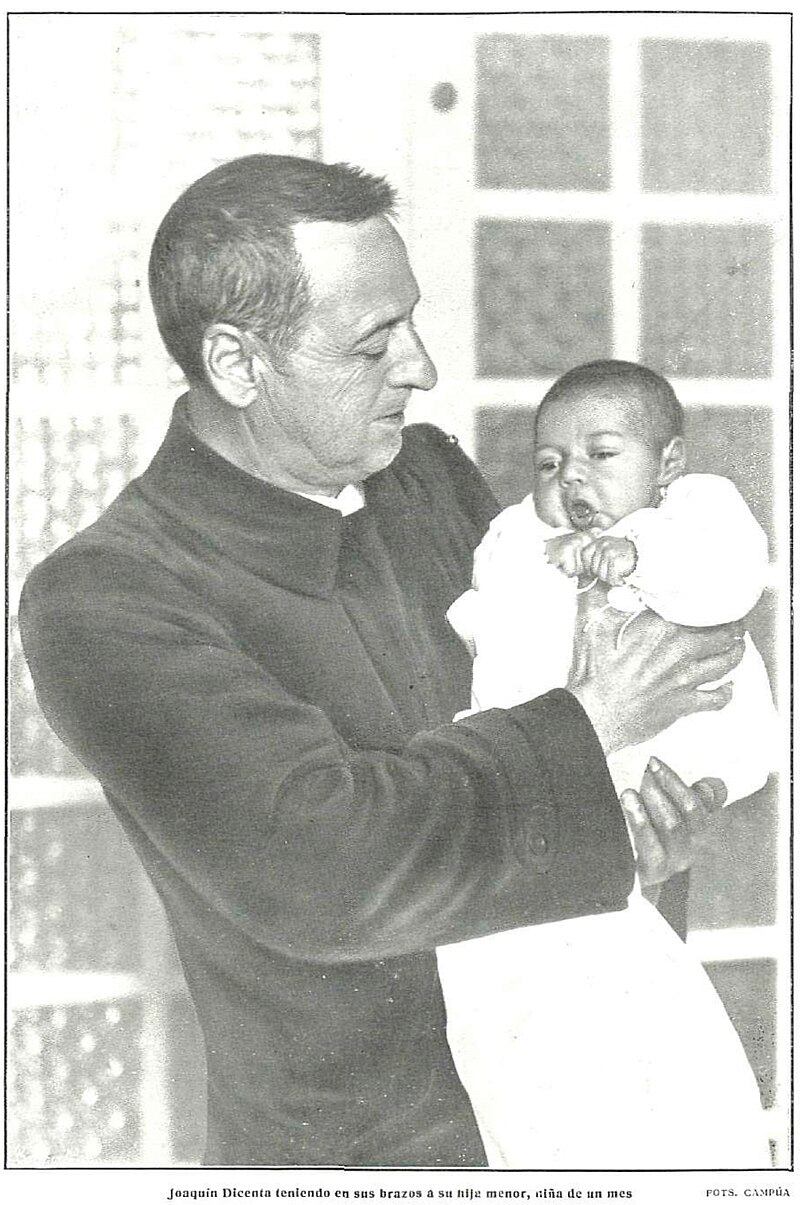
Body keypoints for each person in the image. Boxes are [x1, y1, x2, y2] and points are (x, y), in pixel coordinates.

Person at [19, 156, 745, 1168]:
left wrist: (630, 840)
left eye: (410, 321)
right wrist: (590, 730)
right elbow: (328, 866)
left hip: (570, 1119)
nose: (421, 367)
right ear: (235, 364)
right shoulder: (105, 596)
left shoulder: (424, 477)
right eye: (372, 344)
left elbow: (559, 776)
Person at [439, 360, 774, 1168]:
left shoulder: (694, 512)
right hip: (560, 775)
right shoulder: (526, 532)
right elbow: (499, 603)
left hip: (684, 734)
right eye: (550, 463)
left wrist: (636, 557)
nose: (571, 479)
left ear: (667, 466)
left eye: (601, 454)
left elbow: (731, 571)